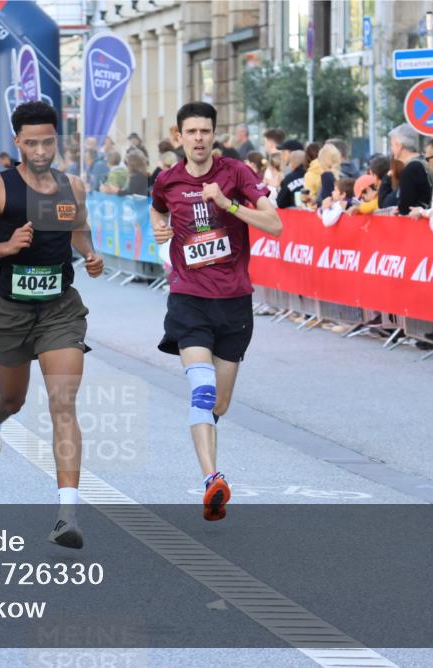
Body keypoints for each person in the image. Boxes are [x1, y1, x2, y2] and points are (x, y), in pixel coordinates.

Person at [0, 101, 104, 549]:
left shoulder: (72, 186)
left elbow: (79, 232)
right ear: (17, 143)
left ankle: (67, 514)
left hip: (60, 310)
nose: (41, 150)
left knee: (63, 403)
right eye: (32, 142)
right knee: (12, 399)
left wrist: (90, 256)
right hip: (11, 312)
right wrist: (6, 248)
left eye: (48, 141)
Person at [150, 101, 282, 522]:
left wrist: (227, 205)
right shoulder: (166, 181)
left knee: (218, 404)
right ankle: (212, 480)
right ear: (179, 137)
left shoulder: (236, 174)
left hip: (233, 302)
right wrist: (158, 226)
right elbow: (156, 207)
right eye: (191, 132)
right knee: (202, 392)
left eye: (205, 131)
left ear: (214, 135)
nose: (199, 138)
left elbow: (275, 224)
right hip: (188, 298)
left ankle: (209, 455)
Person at [388, 124, 433, 215]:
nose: (391, 148)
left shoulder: (410, 170)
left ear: (399, 146)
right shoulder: (426, 161)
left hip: (420, 223)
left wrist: (399, 209)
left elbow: (406, 207)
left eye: (392, 144)